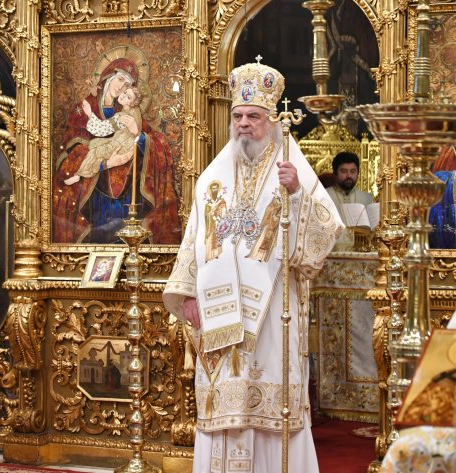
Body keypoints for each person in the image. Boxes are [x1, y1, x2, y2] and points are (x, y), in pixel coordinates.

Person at [162, 59, 343, 473]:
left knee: (269, 400)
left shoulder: (291, 169)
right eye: (238, 116)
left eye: (254, 117)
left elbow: (326, 231)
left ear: (271, 121)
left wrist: (297, 194)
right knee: (223, 404)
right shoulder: (212, 176)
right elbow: (192, 240)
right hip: (219, 314)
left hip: (272, 313)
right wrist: (187, 296)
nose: (244, 124)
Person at [52, 56, 180, 244]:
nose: (121, 88)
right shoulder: (85, 107)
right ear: (108, 76)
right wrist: (105, 163)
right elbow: (72, 147)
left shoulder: (127, 110)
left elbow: (150, 138)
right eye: (120, 79)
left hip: (125, 188)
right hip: (95, 189)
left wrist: (140, 137)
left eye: (127, 85)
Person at [64, 86, 143, 185]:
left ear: (131, 103)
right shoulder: (135, 111)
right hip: (127, 145)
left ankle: (79, 175)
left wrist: (89, 113)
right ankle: (80, 174)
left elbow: (101, 130)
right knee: (94, 143)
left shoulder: (121, 117)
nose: (123, 96)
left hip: (121, 146)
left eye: (128, 97)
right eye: (125, 92)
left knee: (95, 151)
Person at [326, 151, 374, 250]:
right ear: (335, 173)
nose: (349, 176)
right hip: (332, 254)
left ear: (358, 173)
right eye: (344, 171)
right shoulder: (324, 196)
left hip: (361, 254)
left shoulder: (368, 199)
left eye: (353, 171)